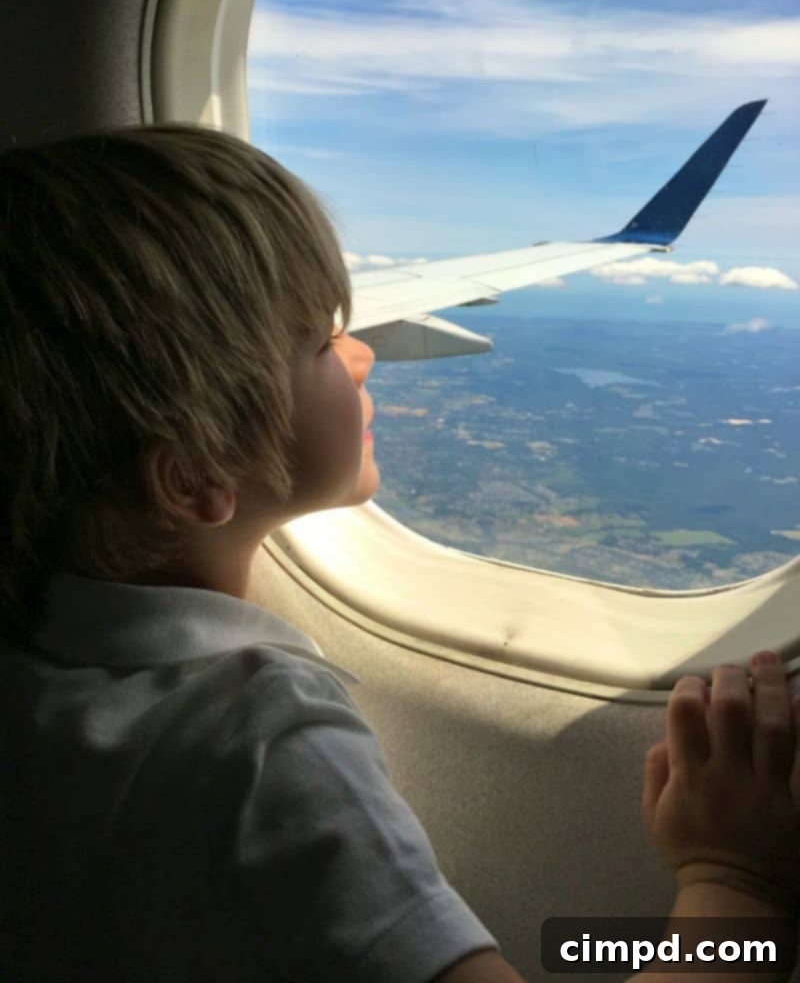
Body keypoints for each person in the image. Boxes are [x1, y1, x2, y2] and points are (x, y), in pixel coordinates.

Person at [0, 124, 798, 983]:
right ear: (195, 477)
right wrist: (735, 885)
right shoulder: (261, 747)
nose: (366, 351)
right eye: (320, 341)